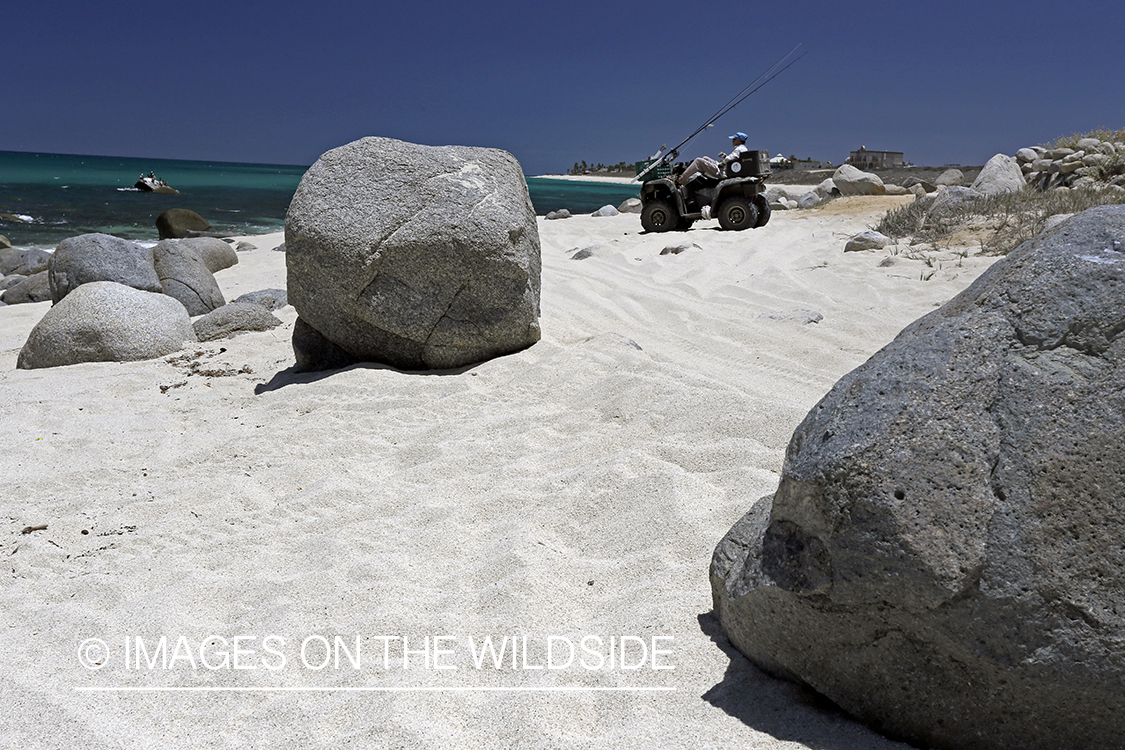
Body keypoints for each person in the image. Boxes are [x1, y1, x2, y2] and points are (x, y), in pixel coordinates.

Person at [676, 132, 749, 185]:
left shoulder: (739, 149)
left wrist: (723, 162)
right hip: (727, 169)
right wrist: (724, 157)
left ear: (739, 140)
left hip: (723, 172)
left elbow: (729, 159)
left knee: (698, 161)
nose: (732, 141)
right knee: (705, 158)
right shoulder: (742, 149)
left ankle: (680, 180)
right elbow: (733, 159)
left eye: (734, 139)